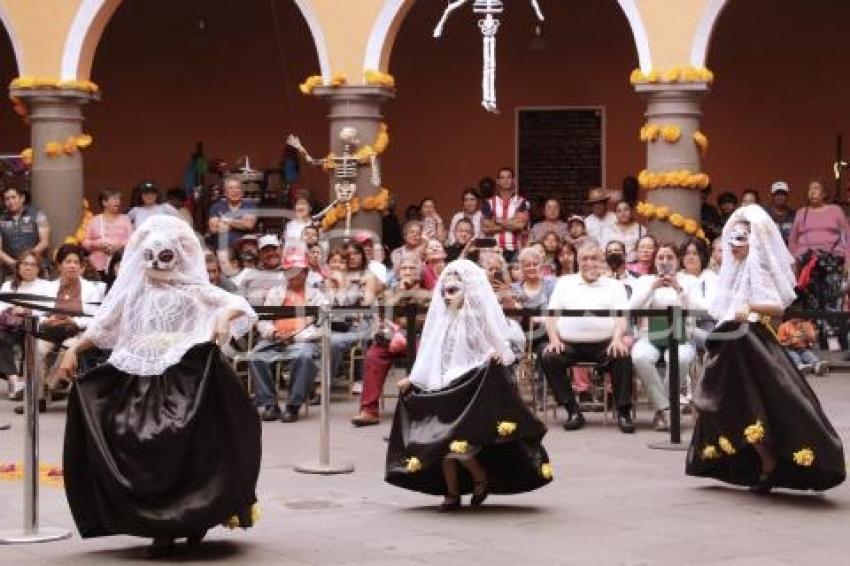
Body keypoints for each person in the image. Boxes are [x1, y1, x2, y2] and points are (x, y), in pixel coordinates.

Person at [57, 215, 260, 553]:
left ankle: (196, 518)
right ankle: (158, 522)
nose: (155, 264)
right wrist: (74, 349)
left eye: (164, 256)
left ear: (178, 256)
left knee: (197, 447)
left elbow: (237, 303)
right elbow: (102, 326)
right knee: (137, 446)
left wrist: (224, 317)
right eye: (149, 256)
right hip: (137, 376)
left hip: (188, 377)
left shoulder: (192, 288)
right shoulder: (134, 292)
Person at [686, 205, 845, 494]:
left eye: (742, 240)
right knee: (724, 404)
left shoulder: (758, 267)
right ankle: (756, 463)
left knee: (759, 406)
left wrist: (750, 308)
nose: (734, 247)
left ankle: (769, 463)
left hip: (754, 345)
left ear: (754, 241)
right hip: (733, 344)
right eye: (732, 241)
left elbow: (776, 306)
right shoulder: (733, 271)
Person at [386, 259, 553, 510]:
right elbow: (430, 355)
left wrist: (497, 356)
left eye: (453, 290)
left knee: (457, 443)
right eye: (444, 290)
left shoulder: (478, 319)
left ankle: (479, 478)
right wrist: (414, 379)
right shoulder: (442, 321)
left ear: (468, 290)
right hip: (442, 387)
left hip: (470, 389)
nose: (447, 295)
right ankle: (452, 492)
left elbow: (503, 350)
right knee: (440, 441)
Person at [539, 239, 636, 433]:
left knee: (623, 355)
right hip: (569, 344)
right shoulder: (565, 283)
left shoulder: (614, 286)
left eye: (594, 258)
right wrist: (554, 339)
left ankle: (623, 413)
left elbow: (622, 318)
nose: (589, 263)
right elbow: (551, 316)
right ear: (578, 261)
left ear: (601, 261)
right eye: (584, 258)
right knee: (548, 356)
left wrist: (617, 338)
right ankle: (573, 411)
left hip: (605, 343)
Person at [629, 242, 704, 431]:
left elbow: (700, 310)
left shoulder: (689, 281)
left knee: (681, 358)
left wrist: (679, 288)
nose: (665, 261)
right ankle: (666, 409)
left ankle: (663, 411)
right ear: (654, 261)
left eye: (670, 257)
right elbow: (632, 307)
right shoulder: (645, 281)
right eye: (660, 257)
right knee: (639, 356)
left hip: (681, 336)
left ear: (678, 261)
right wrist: (653, 287)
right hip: (649, 335)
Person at [249, 251, 326, 422]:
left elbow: (321, 327)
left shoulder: (317, 296)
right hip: (275, 338)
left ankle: (293, 406)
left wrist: (296, 337)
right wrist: (273, 333)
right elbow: (262, 320)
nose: (291, 276)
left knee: (305, 356)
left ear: (305, 273)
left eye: (295, 271)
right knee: (256, 355)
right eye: (288, 271)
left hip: (302, 340)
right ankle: (270, 404)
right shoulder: (275, 293)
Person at [351, 256, 426, 426]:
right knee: (373, 356)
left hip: (419, 339)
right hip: (391, 340)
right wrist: (401, 293)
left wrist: (406, 322)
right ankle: (369, 410)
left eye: (411, 268)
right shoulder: (387, 293)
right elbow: (385, 313)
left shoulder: (428, 292)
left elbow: (427, 319)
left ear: (419, 274)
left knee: (424, 355)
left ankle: (421, 408)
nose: (407, 272)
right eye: (404, 268)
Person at [788, 181, 850, 348]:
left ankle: (836, 343)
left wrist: (848, 261)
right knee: (812, 303)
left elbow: (847, 236)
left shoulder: (835, 211)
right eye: (810, 189)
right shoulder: (802, 212)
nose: (812, 192)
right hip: (809, 263)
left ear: (824, 193)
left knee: (833, 302)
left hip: (832, 261)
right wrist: (793, 264)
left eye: (816, 189)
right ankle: (816, 343)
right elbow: (793, 240)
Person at [0, 250, 53, 401]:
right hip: (10, 327)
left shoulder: (46, 286)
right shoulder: (8, 285)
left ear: (38, 268)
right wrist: (11, 310)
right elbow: (0, 308)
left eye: (32, 265)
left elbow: (49, 309)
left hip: (34, 327)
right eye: (25, 264)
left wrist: (27, 311)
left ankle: (17, 384)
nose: (28, 268)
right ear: (18, 267)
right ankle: (15, 381)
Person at [0, 186, 50, 281]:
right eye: (7, 199)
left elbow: (44, 242)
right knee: (13, 296)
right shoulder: (1, 218)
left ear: (22, 198)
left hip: (37, 267)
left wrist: (26, 260)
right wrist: (13, 263)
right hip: (11, 269)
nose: (10, 202)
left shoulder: (38, 214)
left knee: (40, 295)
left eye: (13, 197)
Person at [481, 167, 529, 262]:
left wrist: (499, 220)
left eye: (508, 177)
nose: (506, 180)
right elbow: (486, 228)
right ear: (497, 181)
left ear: (513, 180)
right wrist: (512, 224)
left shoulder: (521, 202)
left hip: (516, 249)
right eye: (502, 178)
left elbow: (520, 225)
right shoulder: (489, 203)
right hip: (494, 250)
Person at [82, 188, 132, 277]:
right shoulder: (94, 220)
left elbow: (132, 239)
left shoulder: (125, 219)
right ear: (104, 202)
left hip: (119, 263)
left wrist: (119, 246)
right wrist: (99, 245)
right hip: (97, 265)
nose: (118, 202)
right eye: (114, 199)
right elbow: (85, 242)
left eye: (119, 199)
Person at [207, 176, 258, 248]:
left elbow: (248, 224)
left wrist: (226, 220)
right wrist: (239, 224)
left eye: (237, 188)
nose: (234, 191)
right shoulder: (216, 206)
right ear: (225, 192)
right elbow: (213, 228)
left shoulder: (249, 206)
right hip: (221, 248)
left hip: (243, 250)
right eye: (230, 188)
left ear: (242, 192)